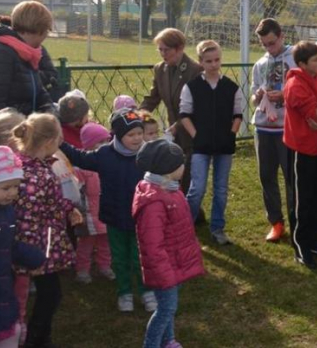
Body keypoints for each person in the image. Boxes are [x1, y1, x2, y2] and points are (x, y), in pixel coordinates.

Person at [60, 109, 157, 313]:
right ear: (119, 136)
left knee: (141, 256)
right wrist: (60, 143)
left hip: (141, 217)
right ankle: (124, 292)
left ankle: (147, 290)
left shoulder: (149, 153)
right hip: (114, 216)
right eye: (131, 135)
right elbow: (80, 157)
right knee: (120, 258)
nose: (137, 138)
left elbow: (164, 172)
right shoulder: (105, 154)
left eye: (140, 133)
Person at [12, 114, 84, 348]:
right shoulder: (39, 174)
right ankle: (35, 338)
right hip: (38, 243)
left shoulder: (21, 164)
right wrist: (68, 209)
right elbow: (43, 207)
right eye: (59, 140)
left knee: (44, 293)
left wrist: (66, 208)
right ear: (48, 142)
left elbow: (46, 202)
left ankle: (41, 338)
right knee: (51, 295)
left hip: (26, 239)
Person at [133, 139, 205, 348]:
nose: (184, 166)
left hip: (173, 262)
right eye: (181, 163)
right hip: (164, 268)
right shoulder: (155, 201)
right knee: (165, 309)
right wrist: (164, 273)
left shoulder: (169, 189)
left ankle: (168, 340)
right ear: (169, 169)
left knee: (168, 307)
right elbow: (151, 244)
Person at [282, 41, 317, 269]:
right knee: (303, 200)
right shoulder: (295, 85)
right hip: (302, 150)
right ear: (302, 64)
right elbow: (315, 114)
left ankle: (315, 241)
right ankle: (301, 246)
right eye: (315, 60)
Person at [180, 41, 243, 246]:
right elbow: (185, 115)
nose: (214, 65)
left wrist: (231, 134)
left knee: (221, 188)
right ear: (200, 62)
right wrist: (196, 135)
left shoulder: (231, 87)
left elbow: (238, 114)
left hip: (224, 146)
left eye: (217, 60)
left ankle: (217, 228)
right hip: (201, 146)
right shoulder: (192, 87)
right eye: (209, 61)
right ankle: (186, 228)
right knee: (197, 188)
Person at [0, 146, 45, 348]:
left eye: (16, 187)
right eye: (6, 188)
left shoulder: (6, 211)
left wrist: (32, 256)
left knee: (3, 327)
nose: (13, 193)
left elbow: (7, 244)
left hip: (0, 284)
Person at [140, 28, 203, 200]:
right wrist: (138, 116)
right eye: (159, 49)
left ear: (180, 48)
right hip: (173, 134)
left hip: (193, 133)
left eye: (166, 49)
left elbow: (198, 107)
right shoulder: (160, 69)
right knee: (171, 175)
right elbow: (153, 98)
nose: (162, 53)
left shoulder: (195, 71)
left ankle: (190, 215)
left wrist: (180, 125)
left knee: (188, 175)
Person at [251, 18, 296, 242]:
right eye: (264, 44)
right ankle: (276, 223)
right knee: (266, 176)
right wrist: (257, 96)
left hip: (287, 128)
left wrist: (285, 95)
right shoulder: (260, 64)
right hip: (263, 128)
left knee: (291, 177)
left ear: (281, 36)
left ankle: (296, 220)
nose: (269, 48)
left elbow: (307, 91)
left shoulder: (297, 58)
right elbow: (252, 98)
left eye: (272, 43)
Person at [0, 1, 55, 120]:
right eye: (47, 30)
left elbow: (39, 92)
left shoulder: (27, 53)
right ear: (40, 30)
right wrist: (24, 126)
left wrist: (49, 112)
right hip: (8, 132)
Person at [74, 122, 115, 285]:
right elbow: (76, 191)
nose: (105, 145)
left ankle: (104, 265)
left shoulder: (110, 163)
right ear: (89, 145)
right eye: (100, 142)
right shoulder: (82, 168)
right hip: (88, 214)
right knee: (86, 245)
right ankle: (82, 269)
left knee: (106, 242)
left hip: (105, 212)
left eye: (107, 141)